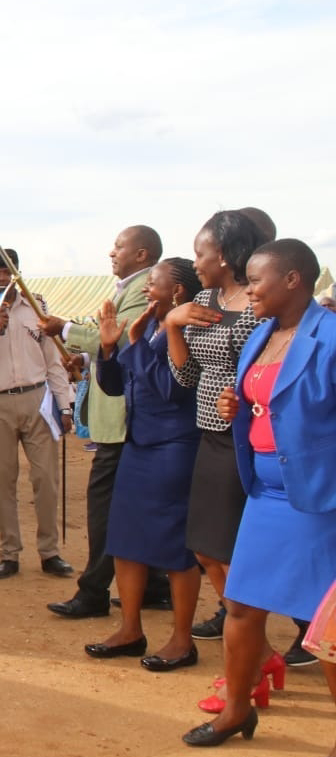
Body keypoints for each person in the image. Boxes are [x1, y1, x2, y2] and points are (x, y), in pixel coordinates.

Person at [182, 239, 336, 757]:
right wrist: (237, 408)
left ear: (293, 279)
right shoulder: (262, 335)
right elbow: (261, 400)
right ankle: (237, 710)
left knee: (326, 627)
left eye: (256, 280)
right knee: (242, 606)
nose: (248, 290)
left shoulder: (330, 336)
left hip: (317, 500)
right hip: (265, 495)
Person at [81, 258, 204, 668]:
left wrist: (134, 342)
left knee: (174, 547)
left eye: (154, 282)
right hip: (138, 445)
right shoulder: (149, 325)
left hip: (173, 448)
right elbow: (116, 386)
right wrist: (109, 348)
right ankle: (130, 630)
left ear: (178, 291)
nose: (147, 288)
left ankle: (182, 641)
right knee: (125, 541)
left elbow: (173, 389)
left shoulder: (190, 328)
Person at [43, 226, 170, 619]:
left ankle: (93, 591)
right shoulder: (127, 289)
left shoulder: (142, 289)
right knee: (136, 505)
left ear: (142, 254)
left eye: (118, 246)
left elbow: (123, 338)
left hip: (123, 421)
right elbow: (114, 347)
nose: (111, 253)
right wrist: (84, 358)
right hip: (119, 418)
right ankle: (153, 585)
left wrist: (66, 329)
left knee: (105, 509)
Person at [164, 211, 266, 644]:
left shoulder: (261, 302)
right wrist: (172, 324)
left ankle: (253, 645)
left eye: (200, 253)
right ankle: (257, 646)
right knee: (206, 548)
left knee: (232, 551)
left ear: (222, 255)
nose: (196, 263)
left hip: (247, 438)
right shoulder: (204, 301)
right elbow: (187, 377)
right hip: (209, 435)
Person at [0, 248, 75, 580]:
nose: (2, 279)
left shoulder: (37, 309)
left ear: (16, 274)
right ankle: (9, 553)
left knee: (46, 479)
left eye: (7, 272)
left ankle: (50, 552)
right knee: (2, 482)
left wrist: (64, 405)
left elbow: (53, 362)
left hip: (37, 399)